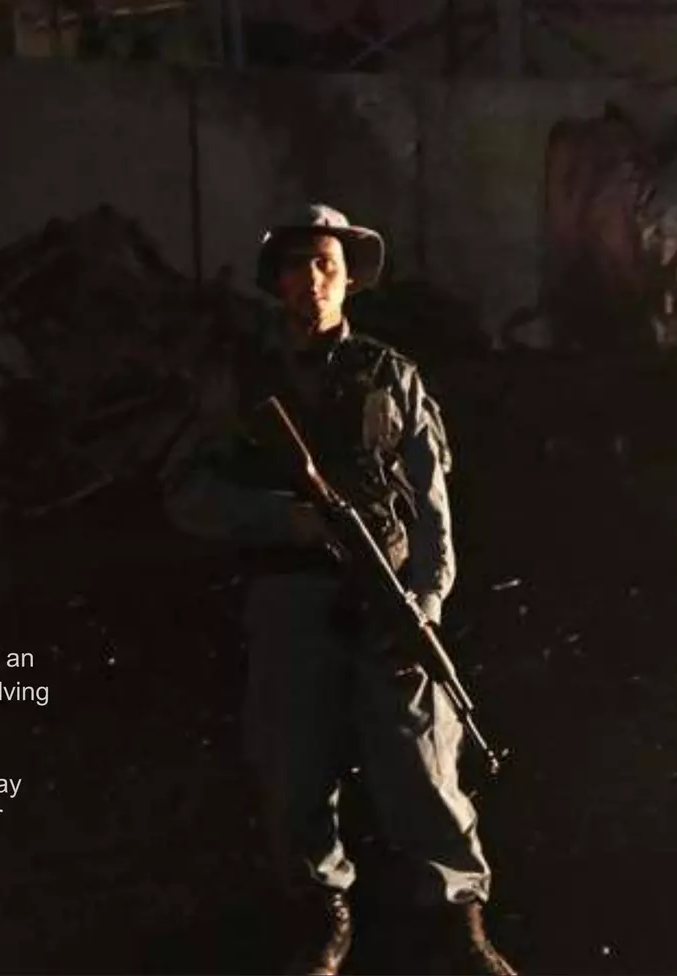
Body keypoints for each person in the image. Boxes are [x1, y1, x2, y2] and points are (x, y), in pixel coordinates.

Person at [161, 205, 516, 976]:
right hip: (290, 598)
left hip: (387, 595)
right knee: (294, 768)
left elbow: (431, 512)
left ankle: (458, 919)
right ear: (276, 282)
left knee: (424, 762)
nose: (312, 281)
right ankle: (322, 913)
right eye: (296, 266)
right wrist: (281, 521)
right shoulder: (242, 383)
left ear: (349, 277)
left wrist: (424, 604)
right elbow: (186, 493)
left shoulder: (394, 376)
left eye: (326, 264)